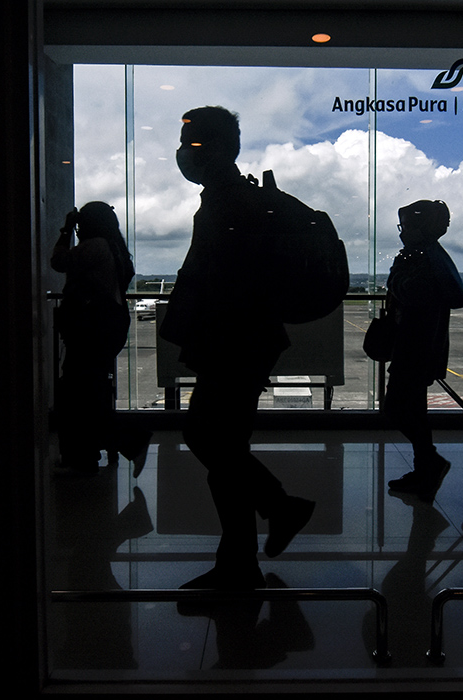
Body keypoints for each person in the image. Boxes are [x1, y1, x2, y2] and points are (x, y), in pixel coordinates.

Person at [159, 105, 315, 590]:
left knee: (211, 442)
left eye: (194, 144)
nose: (185, 153)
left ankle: (275, 515)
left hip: (235, 342)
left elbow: (225, 280)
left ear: (220, 149)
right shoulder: (231, 197)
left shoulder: (230, 201)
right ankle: (243, 557)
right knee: (221, 447)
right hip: (239, 341)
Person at [51, 201, 151, 476]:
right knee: (88, 391)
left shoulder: (94, 246)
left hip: (89, 330)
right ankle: (93, 451)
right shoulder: (115, 249)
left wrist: (65, 230)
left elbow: (58, 262)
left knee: (79, 392)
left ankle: (125, 441)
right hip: (107, 327)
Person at [382, 200, 463, 502]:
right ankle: (425, 465)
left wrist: (396, 279)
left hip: (417, 346)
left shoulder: (423, 257)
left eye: (406, 226)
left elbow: (419, 293)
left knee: (398, 409)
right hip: (419, 344)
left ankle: (429, 463)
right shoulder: (430, 255)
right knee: (412, 409)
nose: (403, 232)